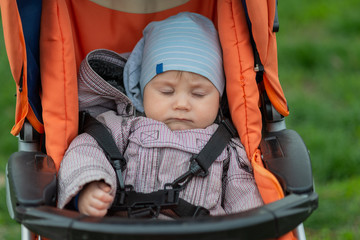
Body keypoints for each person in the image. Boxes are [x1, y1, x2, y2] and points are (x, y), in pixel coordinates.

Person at [57, 12, 263, 217]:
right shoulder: (122, 128)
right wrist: (90, 185)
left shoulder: (227, 148)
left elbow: (245, 197)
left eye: (198, 94)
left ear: (219, 99)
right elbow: (85, 150)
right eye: (167, 91)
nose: (182, 104)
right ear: (141, 92)